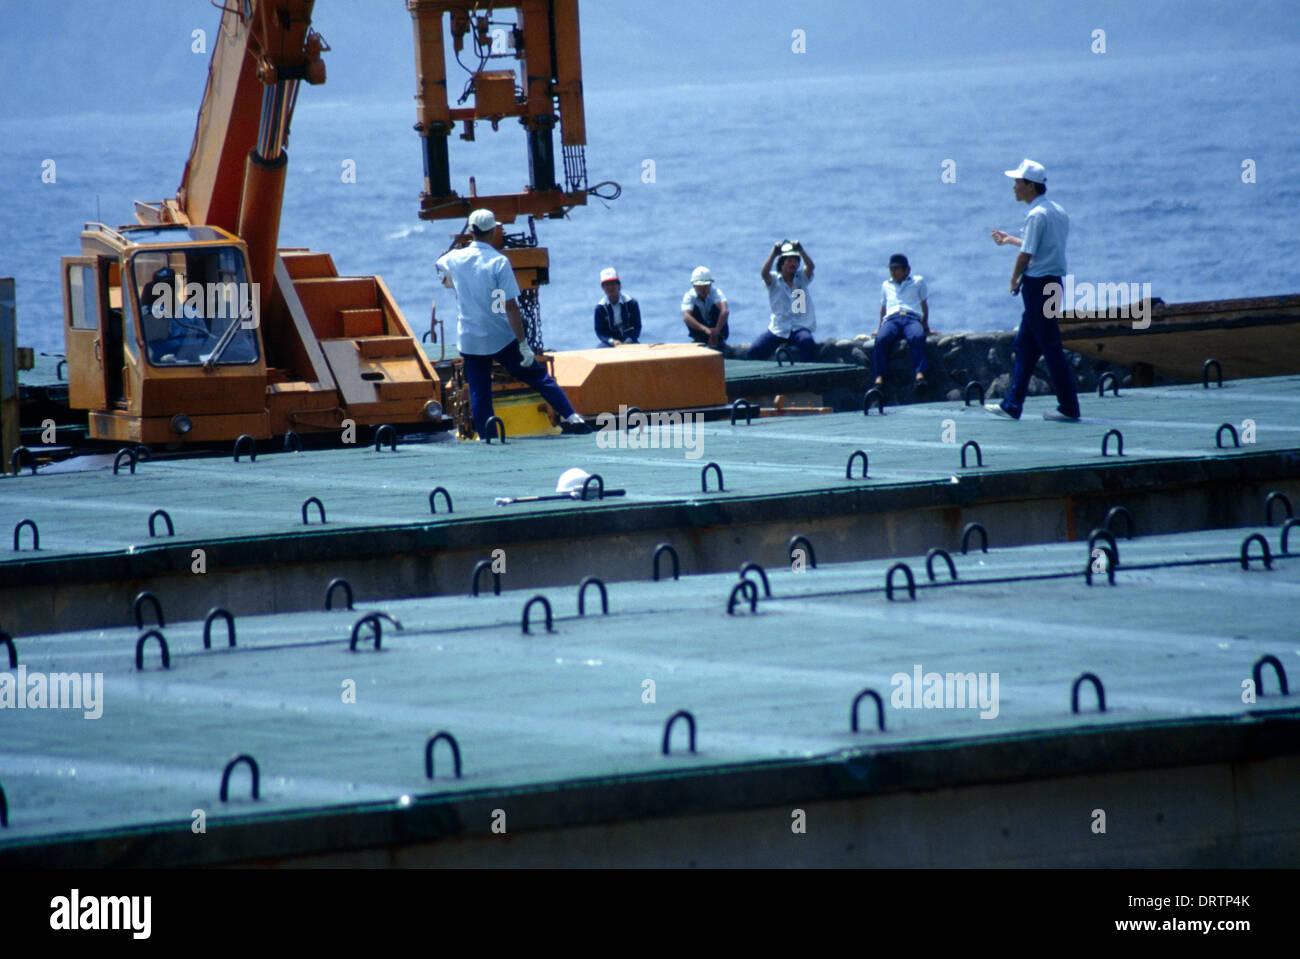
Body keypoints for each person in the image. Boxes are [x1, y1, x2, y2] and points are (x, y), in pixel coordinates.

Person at [436, 208, 588, 436]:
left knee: (479, 391)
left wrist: (449, 278)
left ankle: (488, 436)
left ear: (470, 231)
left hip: (470, 340)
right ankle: (572, 417)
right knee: (536, 376)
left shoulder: (454, 259)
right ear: (494, 232)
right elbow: (510, 307)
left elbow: (439, 263)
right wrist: (523, 344)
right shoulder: (499, 262)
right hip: (499, 336)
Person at [987, 159, 1081, 422]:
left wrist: (1014, 278)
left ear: (1030, 185)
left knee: (1050, 348)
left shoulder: (1035, 214)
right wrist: (1009, 240)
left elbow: (1027, 255)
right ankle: (1012, 404)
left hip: (1037, 286)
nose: (1014, 187)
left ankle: (1069, 408)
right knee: (1026, 346)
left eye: (1018, 182)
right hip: (1052, 283)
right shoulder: (1057, 211)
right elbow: (1038, 247)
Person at [749, 240, 816, 361]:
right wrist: (773, 254)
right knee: (754, 351)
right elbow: (764, 273)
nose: (793, 264)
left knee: (807, 341)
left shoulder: (801, 278)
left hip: (798, 327)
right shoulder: (774, 280)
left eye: (795, 261)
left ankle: (806, 374)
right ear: (781, 264)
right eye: (789, 261)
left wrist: (801, 250)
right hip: (779, 329)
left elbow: (811, 266)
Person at [873, 253, 930, 388]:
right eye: (891, 269)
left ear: (906, 270)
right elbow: (884, 308)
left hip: (911, 318)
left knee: (917, 336)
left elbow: (924, 305)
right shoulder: (886, 285)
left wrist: (925, 326)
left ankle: (920, 374)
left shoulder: (918, 282)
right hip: (892, 319)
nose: (893, 272)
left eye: (896, 269)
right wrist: (879, 327)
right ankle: (879, 377)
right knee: (881, 339)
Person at [681, 266, 729, 348]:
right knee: (690, 313)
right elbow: (686, 317)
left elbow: (725, 311)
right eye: (700, 286)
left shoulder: (716, 293)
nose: (703, 289)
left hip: (717, 331)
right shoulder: (689, 296)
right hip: (700, 332)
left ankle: (718, 340)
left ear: (710, 285)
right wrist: (705, 330)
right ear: (694, 286)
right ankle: (699, 340)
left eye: (705, 286)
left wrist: (716, 330)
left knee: (719, 309)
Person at [593, 267, 641, 347]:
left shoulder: (631, 303)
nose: (610, 287)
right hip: (609, 343)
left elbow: (637, 326)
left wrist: (628, 341)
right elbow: (600, 332)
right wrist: (612, 341)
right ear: (603, 288)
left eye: (613, 284)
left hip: (630, 340)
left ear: (619, 285)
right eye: (607, 285)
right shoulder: (600, 308)